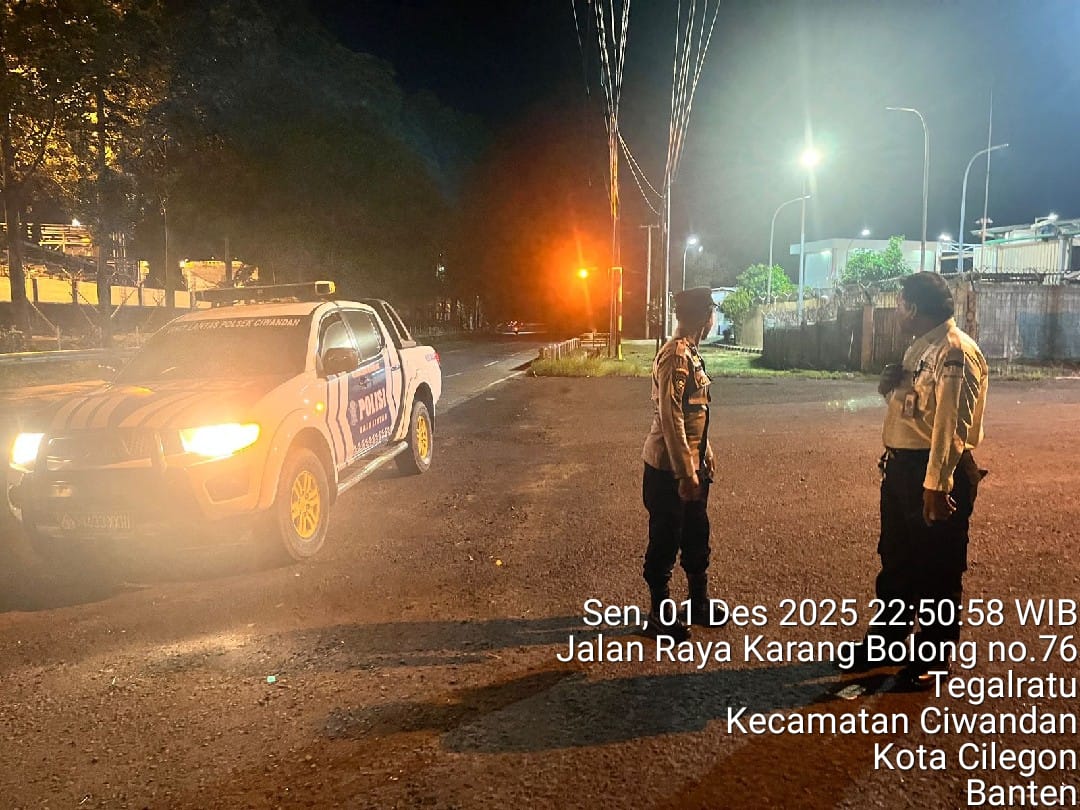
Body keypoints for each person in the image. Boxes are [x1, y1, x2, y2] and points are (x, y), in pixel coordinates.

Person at [846, 272, 989, 690]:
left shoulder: (955, 352)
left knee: (938, 570)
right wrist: (888, 390)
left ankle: (934, 656)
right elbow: (917, 411)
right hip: (903, 469)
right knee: (897, 562)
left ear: (914, 307)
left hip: (934, 471)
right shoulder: (921, 347)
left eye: (901, 303)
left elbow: (950, 426)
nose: (897, 310)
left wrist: (937, 486)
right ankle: (887, 645)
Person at [641, 287, 726, 640]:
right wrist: (685, 472)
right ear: (705, 318)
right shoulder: (675, 356)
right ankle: (658, 615)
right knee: (665, 540)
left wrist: (705, 453)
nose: (713, 319)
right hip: (669, 470)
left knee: (695, 534)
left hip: (691, 465)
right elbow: (671, 416)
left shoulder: (690, 353)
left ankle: (697, 602)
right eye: (713, 313)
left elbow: (694, 413)